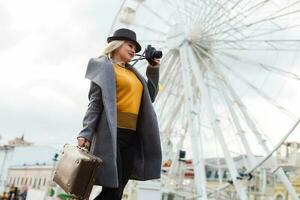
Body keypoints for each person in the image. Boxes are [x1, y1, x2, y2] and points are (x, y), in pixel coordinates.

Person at [77, 28, 162, 200]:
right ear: (116, 45)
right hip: (112, 135)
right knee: (113, 191)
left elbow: (150, 97)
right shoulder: (103, 68)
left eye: (135, 48)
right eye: (130, 45)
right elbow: (95, 104)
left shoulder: (134, 74)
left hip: (132, 137)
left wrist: (153, 69)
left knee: (117, 190)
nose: (133, 50)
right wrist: (86, 132)